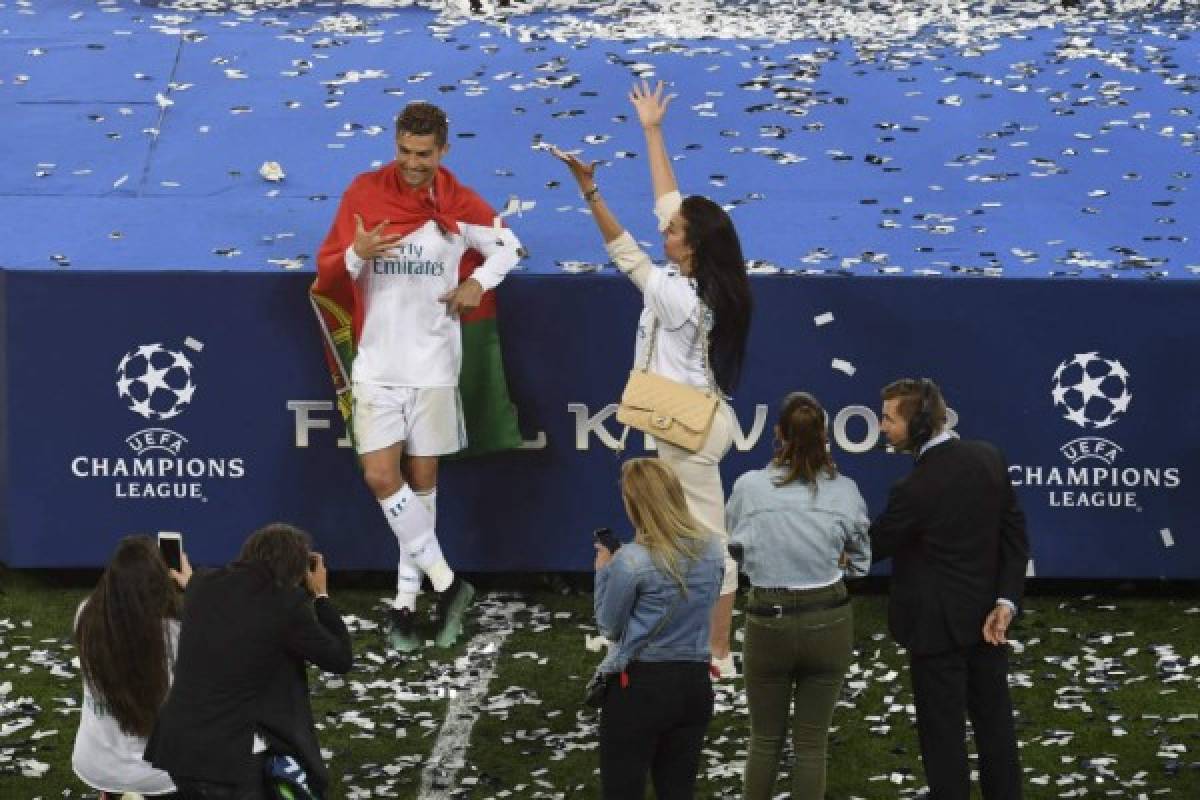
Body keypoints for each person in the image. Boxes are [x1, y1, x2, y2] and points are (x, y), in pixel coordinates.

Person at [552, 80, 753, 677]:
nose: (664, 231)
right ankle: (672, 637)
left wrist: (589, 191)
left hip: (685, 430)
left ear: (691, 249)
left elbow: (624, 253)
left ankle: (718, 654)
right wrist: (652, 131)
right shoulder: (707, 276)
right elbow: (671, 201)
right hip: (685, 417)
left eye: (673, 234)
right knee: (671, 534)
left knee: (713, 546)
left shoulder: (678, 295)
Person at [313, 101, 523, 651]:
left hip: (433, 366)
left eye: (423, 154)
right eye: (404, 151)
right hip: (377, 366)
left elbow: (509, 247)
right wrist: (357, 254)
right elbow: (332, 269)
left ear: (443, 151)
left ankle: (405, 605)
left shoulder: (458, 203)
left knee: (423, 485)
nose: (412, 163)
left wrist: (481, 284)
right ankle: (449, 584)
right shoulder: (365, 195)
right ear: (395, 144)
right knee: (383, 479)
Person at [870, 378, 1029, 800]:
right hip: (989, 625)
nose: (882, 427)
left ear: (919, 425)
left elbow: (872, 547)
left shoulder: (912, 489)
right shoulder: (990, 458)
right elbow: (1015, 540)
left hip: (935, 633)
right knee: (996, 730)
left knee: (943, 743)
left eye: (888, 418)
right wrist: (1006, 602)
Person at [726, 392, 871, 799]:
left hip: (767, 621)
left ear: (778, 433)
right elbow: (861, 561)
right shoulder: (844, 490)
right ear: (824, 435)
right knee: (811, 745)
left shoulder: (749, 487)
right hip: (829, 619)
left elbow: (732, 548)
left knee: (764, 740)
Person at [145, 523, 353, 799]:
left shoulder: (202, 584)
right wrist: (322, 597)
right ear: (296, 567)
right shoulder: (286, 604)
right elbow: (339, 659)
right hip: (230, 762)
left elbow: (201, 587)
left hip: (178, 749)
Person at [593, 458, 725, 799]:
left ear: (633, 502)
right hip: (694, 688)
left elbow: (609, 626)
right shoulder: (712, 549)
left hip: (641, 689)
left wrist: (604, 572)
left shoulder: (631, 561)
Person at [72, 536, 191, 799]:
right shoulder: (180, 632)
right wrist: (192, 587)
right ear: (161, 584)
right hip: (161, 775)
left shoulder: (84, 616)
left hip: (100, 765)